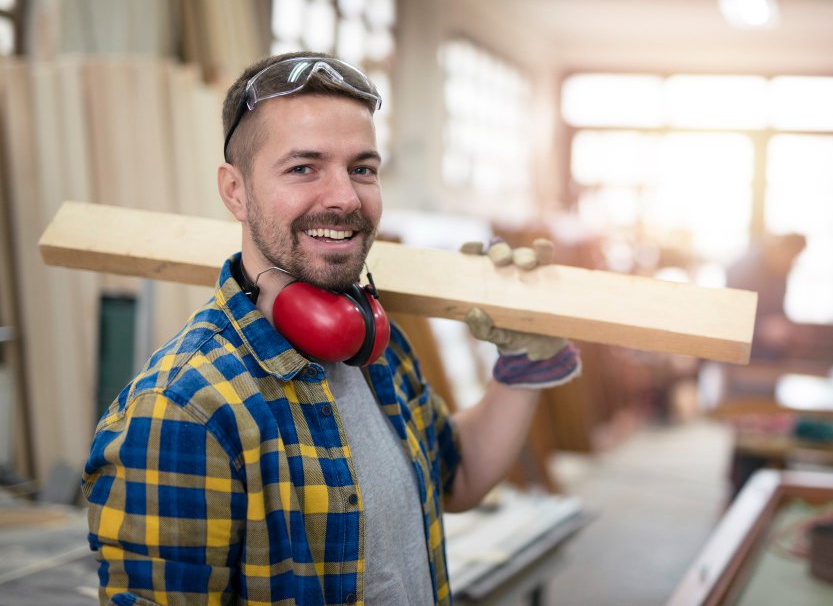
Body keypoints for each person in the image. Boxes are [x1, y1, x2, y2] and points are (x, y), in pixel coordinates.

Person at [82, 52, 581, 605]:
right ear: (235, 191)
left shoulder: (372, 350)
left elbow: (453, 480)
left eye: (362, 168)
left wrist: (523, 368)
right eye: (304, 168)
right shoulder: (185, 411)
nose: (345, 197)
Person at [726, 233, 806, 361]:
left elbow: (777, 312)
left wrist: (789, 330)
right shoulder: (743, 271)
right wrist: (761, 328)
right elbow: (728, 320)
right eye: (792, 258)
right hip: (741, 359)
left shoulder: (781, 272)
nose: (792, 265)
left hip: (769, 358)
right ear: (781, 250)